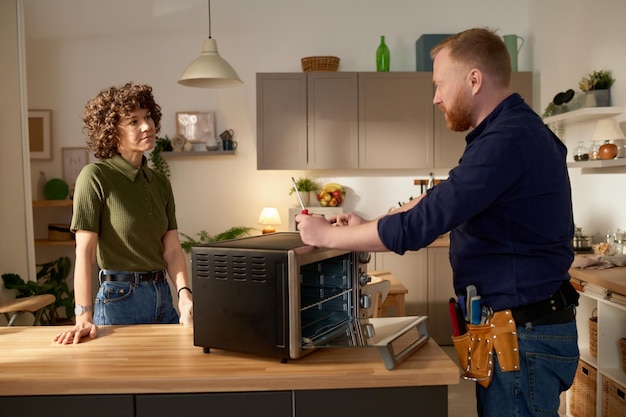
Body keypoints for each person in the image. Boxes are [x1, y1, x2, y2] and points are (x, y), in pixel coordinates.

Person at [295, 28, 579, 417]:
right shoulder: (511, 133)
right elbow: (435, 199)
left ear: (474, 80)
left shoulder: (507, 140)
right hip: (522, 330)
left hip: (521, 337)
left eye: (440, 84)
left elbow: (421, 222)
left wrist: (327, 234)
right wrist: (365, 223)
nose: (436, 97)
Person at [53, 82, 193, 345]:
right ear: (112, 132)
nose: (146, 126)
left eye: (148, 116)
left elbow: (172, 250)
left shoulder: (160, 182)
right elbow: (84, 252)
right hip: (119, 300)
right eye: (133, 121)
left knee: (173, 381)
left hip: (163, 296)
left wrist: (184, 295)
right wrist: (82, 315)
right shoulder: (94, 177)